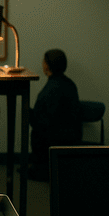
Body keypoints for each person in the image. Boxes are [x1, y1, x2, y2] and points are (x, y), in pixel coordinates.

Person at [29, 49, 81, 181]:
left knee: (35, 133)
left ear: (47, 65)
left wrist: (27, 112)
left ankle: (40, 169)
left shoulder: (48, 90)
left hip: (51, 142)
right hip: (71, 138)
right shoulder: (70, 84)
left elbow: (39, 122)